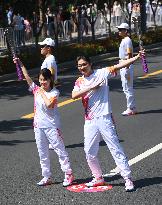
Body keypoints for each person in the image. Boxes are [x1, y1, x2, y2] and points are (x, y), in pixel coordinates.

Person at [72, 52, 143, 191]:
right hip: (90, 120)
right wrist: (91, 87)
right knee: (89, 152)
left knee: (115, 148)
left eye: (84, 64)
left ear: (90, 63)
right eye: (79, 66)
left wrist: (136, 57)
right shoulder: (79, 81)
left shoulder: (102, 73)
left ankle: (127, 179)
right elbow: (74, 95)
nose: (82, 67)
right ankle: (98, 177)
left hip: (105, 117)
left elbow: (120, 65)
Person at [13, 58, 74, 187]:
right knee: (42, 152)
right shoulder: (36, 89)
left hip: (52, 126)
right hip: (38, 126)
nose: (42, 82)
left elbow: (49, 105)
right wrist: (20, 63)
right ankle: (46, 176)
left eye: (45, 80)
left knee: (60, 150)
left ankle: (68, 174)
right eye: (40, 80)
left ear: (50, 80)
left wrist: (41, 91)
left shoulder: (54, 92)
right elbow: (26, 76)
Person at [39, 38, 59, 150]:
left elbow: (51, 74)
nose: (41, 48)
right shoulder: (48, 58)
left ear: (49, 48)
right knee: (47, 114)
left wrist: (49, 88)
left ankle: (55, 140)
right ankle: (51, 140)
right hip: (47, 89)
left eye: (43, 46)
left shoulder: (50, 59)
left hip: (49, 90)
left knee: (51, 115)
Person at [117, 23, 136, 116]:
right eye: (119, 29)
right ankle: (131, 107)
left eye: (121, 29)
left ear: (126, 31)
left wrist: (127, 67)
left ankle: (131, 108)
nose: (119, 31)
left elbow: (129, 54)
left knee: (128, 88)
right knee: (126, 87)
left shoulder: (127, 40)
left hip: (126, 65)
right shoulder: (124, 40)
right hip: (123, 64)